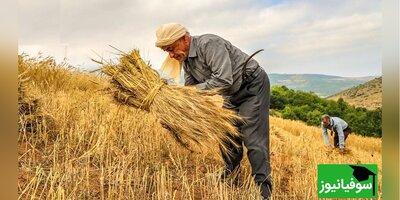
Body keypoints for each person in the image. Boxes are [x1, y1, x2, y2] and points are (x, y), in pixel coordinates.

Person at [155, 23, 272, 199]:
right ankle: (230, 174)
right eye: (167, 51)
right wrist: (173, 104)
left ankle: (263, 189)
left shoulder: (209, 44)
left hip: (251, 86)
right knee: (227, 134)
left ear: (184, 39)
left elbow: (223, 79)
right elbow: (191, 89)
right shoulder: (187, 61)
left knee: (252, 137)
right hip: (230, 93)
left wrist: (189, 92)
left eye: (172, 48)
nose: (171, 55)